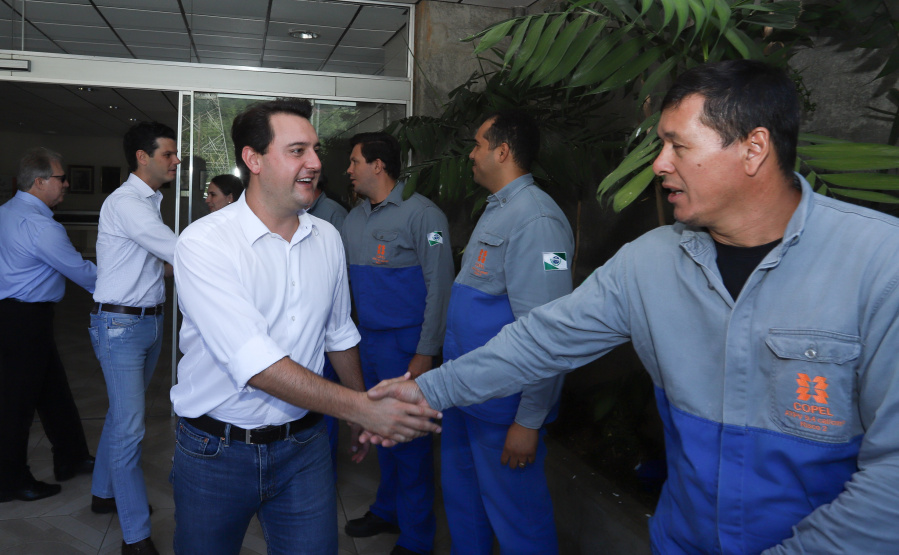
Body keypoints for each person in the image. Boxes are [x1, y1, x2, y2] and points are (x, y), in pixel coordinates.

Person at [368, 59, 899, 554]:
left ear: (753, 148)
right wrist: (424, 391)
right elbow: (537, 342)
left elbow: (889, 480)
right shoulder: (648, 263)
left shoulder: (878, 264)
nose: (659, 165)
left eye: (677, 145)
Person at [170, 98, 441, 555]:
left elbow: (338, 334)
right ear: (253, 160)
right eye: (297, 151)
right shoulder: (204, 243)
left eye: (314, 150)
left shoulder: (328, 238)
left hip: (306, 448)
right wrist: (358, 408)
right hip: (216, 452)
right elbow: (254, 362)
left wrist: (359, 403)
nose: (315, 163)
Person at [438, 111, 573, 555]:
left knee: (519, 520)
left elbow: (548, 333)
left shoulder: (538, 221)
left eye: (477, 145)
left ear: (503, 151)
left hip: (503, 409)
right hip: (466, 395)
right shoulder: (498, 209)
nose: (471, 155)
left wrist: (528, 420)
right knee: (464, 506)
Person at [340, 132, 454, 555]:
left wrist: (426, 352)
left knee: (409, 444)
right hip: (366, 343)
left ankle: (418, 538)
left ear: (378, 165)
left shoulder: (423, 215)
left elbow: (440, 287)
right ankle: (387, 510)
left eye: (354, 162)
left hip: (405, 349)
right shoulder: (354, 220)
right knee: (378, 432)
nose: (348, 170)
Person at [0, 147, 96, 503]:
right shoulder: (40, 225)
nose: (66, 185)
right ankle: (11, 481)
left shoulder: (1, 213)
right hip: (22, 319)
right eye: (61, 179)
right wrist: (127, 280)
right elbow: (82, 273)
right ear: (40, 182)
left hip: (9, 315)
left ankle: (71, 457)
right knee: (17, 403)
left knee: (53, 392)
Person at [91, 121, 180, 555]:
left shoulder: (149, 201)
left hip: (146, 322)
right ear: (142, 157)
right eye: (168, 153)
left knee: (120, 417)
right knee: (130, 429)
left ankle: (102, 492)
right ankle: (135, 537)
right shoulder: (128, 202)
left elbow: (150, 264)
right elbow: (174, 250)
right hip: (122, 327)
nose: (176, 160)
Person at [306, 172, 350, 480]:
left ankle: (324, 473)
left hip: (327, 329)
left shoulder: (332, 216)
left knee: (325, 402)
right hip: (306, 328)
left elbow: (338, 279)